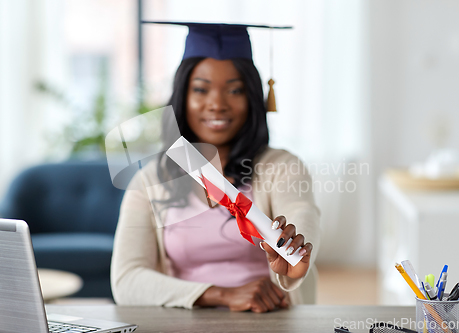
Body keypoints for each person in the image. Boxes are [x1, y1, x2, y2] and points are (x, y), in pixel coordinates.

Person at [111, 22, 321, 313]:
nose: (217, 104)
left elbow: (303, 212)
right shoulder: (151, 180)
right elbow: (127, 280)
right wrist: (222, 294)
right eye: (201, 89)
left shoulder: (281, 167)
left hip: (269, 321)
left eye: (235, 90)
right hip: (183, 323)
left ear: (252, 98)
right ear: (182, 97)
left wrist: (296, 255)